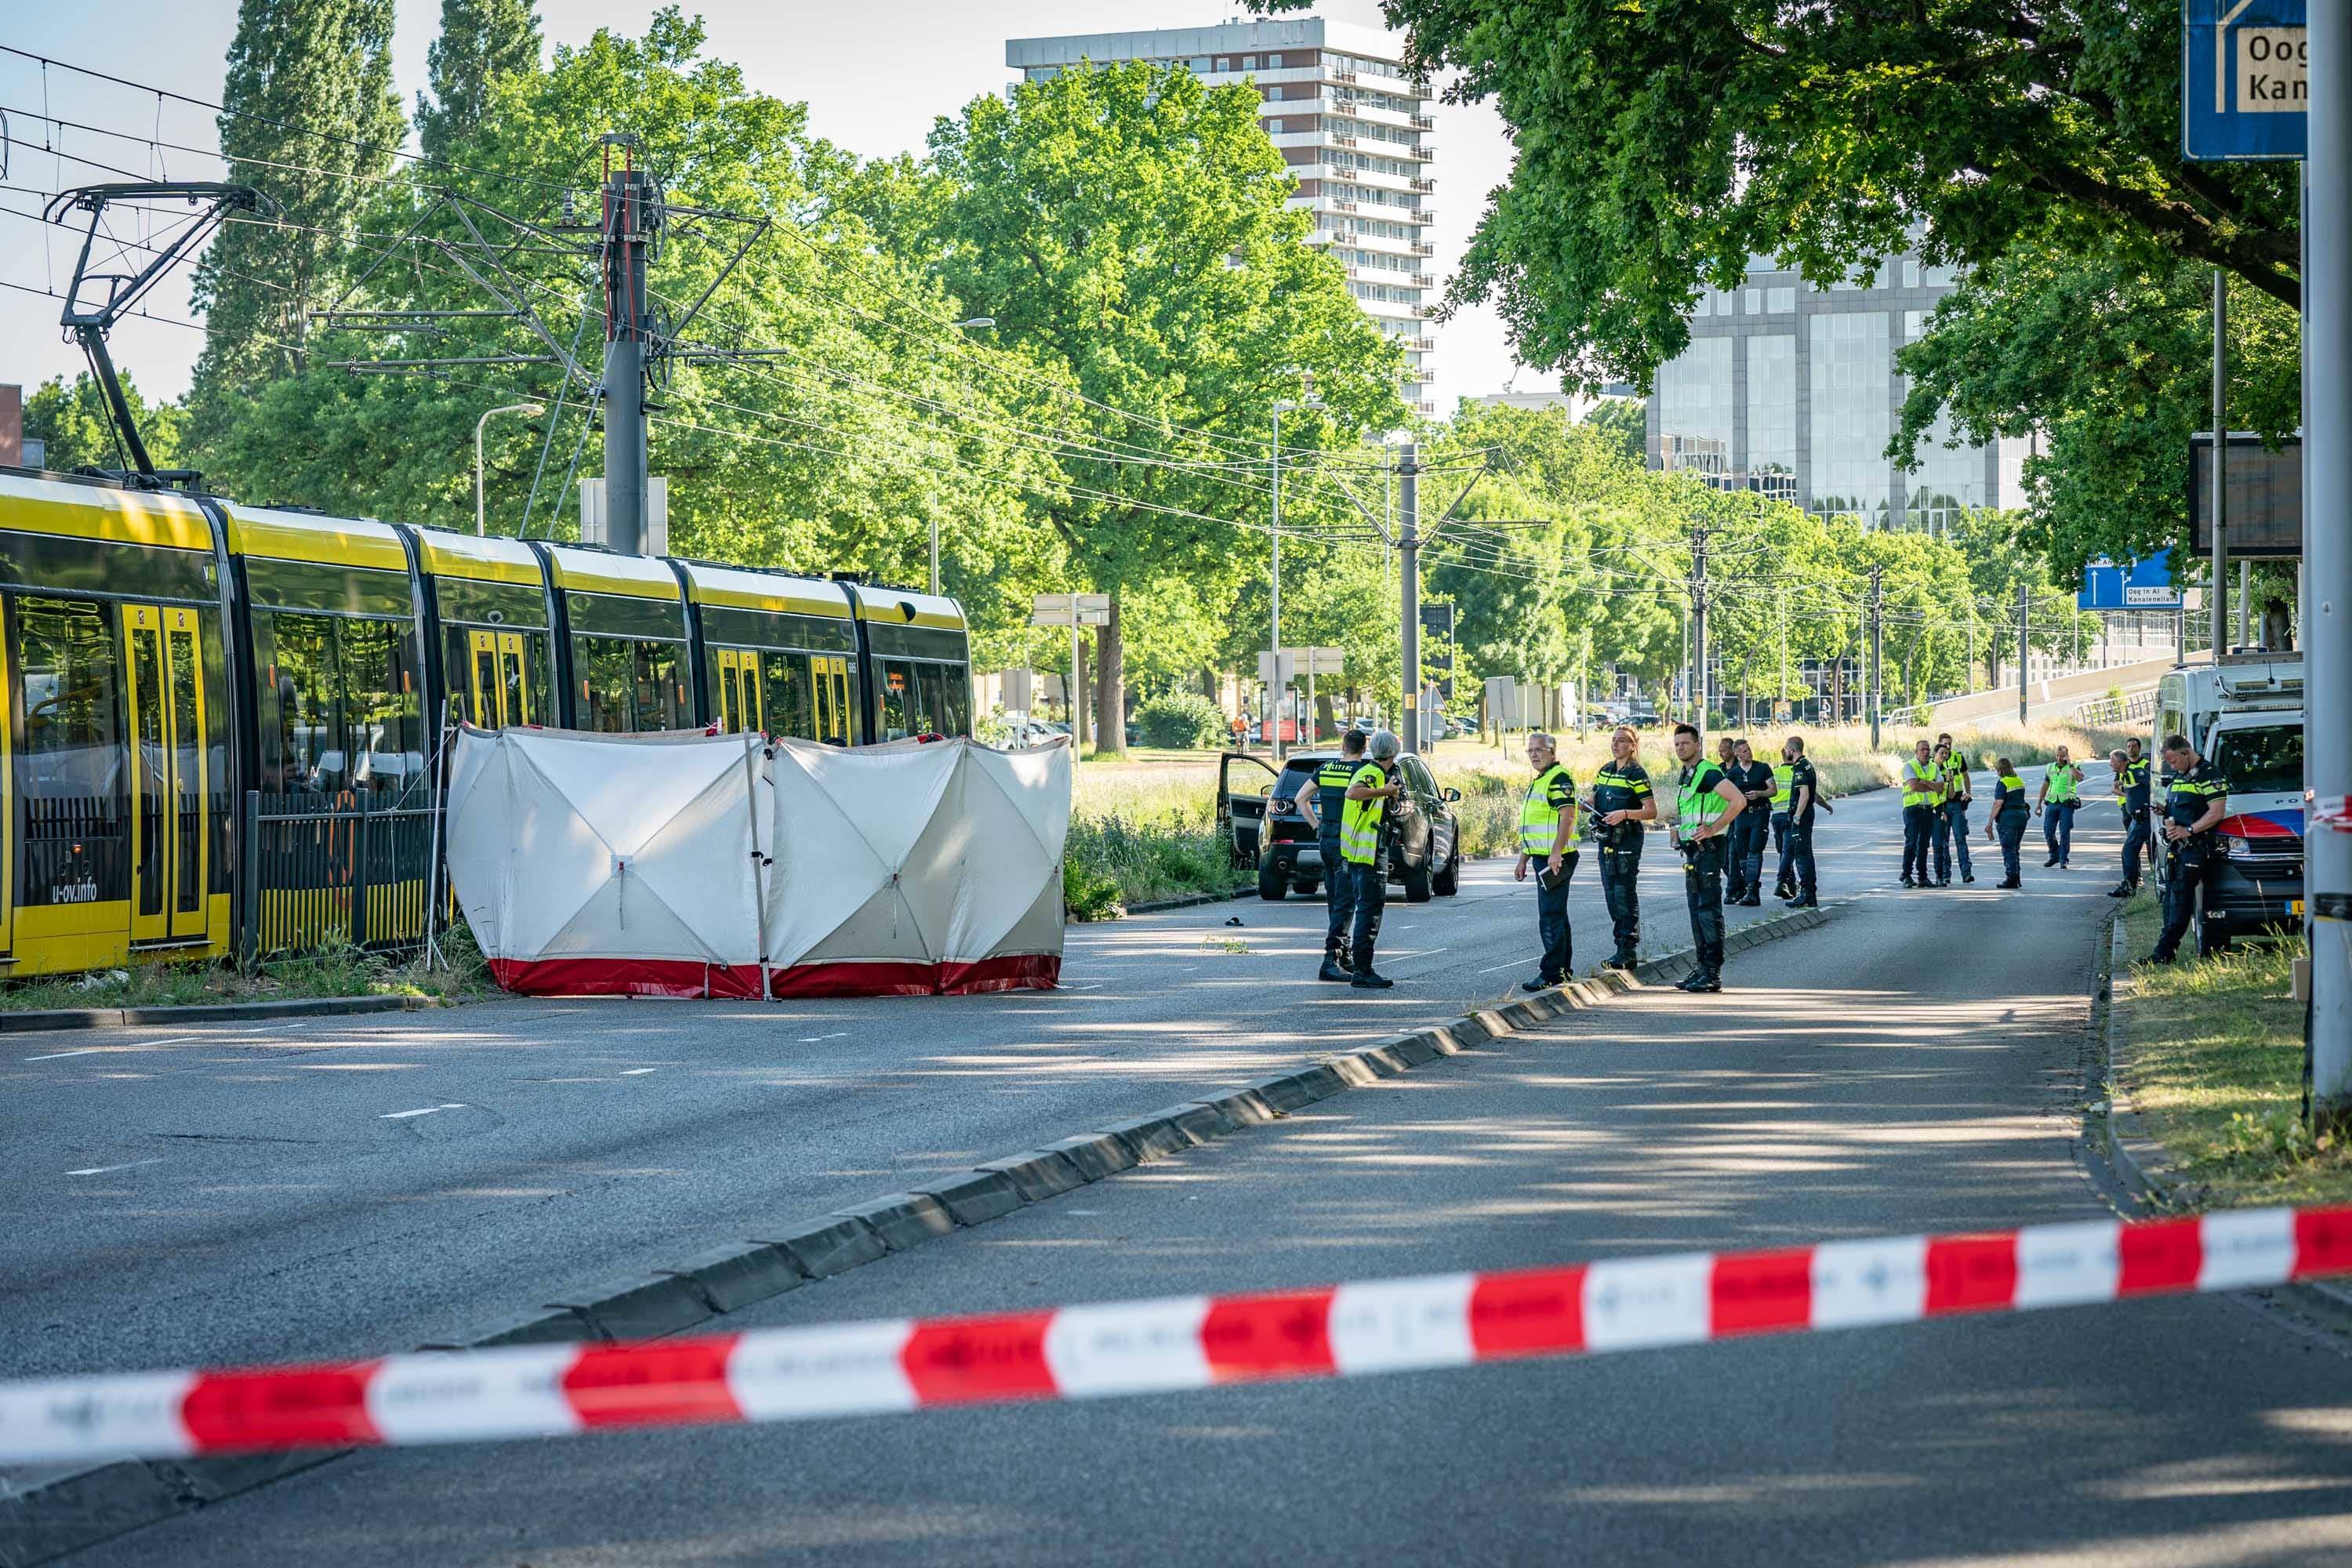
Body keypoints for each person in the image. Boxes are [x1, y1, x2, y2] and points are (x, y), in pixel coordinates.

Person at [1669, 722, 1746, 993]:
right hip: (1693, 851)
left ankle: (1712, 973)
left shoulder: (1707, 772)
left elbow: (1738, 801)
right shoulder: (1688, 774)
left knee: (1708, 912)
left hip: (1710, 850)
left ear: (1697, 745)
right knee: (1696, 911)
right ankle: (1702, 968)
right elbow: (1692, 810)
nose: (1680, 748)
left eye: (1685, 743)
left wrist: (1713, 828)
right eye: (1677, 744)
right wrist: (1678, 831)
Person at [2147, 734, 2229, 964]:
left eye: (2173, 761)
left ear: (2186, 753)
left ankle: (2163, 952)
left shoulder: (2209, 775)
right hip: (2178, 847)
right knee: (2170, 900)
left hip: (2197, 847)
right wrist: (2166, 812)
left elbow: (2216, 813)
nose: (2172, 766)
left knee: (2181, 900)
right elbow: (2179, 808)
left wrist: (2189, 830)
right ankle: (2165, 950)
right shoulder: (2180, 776)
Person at [1298, 728, 1368, 982]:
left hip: (1326, 839)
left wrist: (1317, 825)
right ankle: (1330, 958)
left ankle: (1344, 955)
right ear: (1364, 747)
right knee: (1346, 900)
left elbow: (1300, 798)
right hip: (1346, 843)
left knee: (1335, 898)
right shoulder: (1361, 772)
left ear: (1343, 745)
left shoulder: (1326, 769)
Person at [1512, 731, 1580, 992]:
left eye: (1539, 750)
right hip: (1542, 857)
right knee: (1556, 915)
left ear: (1553, 752)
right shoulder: (1541, 780)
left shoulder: (1558, 779)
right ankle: (1561, 969)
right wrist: (1523, 860)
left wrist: (1556, 853)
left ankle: (1551, 973)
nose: (1534, 755)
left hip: (1555, 858)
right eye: (1530, 751)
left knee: (1551, 915)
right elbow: (1535, 826)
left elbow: (1568, 817)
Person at [1340, 729, 1406, 988]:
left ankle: (1362, 968)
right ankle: (1363, 971)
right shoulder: (1374, 774)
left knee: (1366, 911)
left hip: (1358, 853)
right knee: (1369, 913)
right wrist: (1384, 790)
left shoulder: (1373, 772)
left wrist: (1389, 794)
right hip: (1367, 855)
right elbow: (1353, 793)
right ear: (1394, 752)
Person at [1590, 724, 1657, 968]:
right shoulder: (1605, 771)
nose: (1615, 744)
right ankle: (1619, 947)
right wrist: (1580, 805)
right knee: (1610, 894)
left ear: (1632, 746)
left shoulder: (1636, 774)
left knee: (1624, 893)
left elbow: (1651, 811)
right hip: (1606, 840)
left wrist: (1625, 814)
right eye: (1613, 740)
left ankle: (1628, 950)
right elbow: (1593, 799)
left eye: (1621, 741)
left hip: (1627, 840)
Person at [1780, 735, 1829, 909]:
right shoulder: (1807, 765)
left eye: (1786, 748)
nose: (1785, 751)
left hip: (1802, 817)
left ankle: (1806, 893)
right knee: (1805, 854)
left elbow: (1805, 794)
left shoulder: (1800, 767)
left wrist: (1797, 816)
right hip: (1808, 815)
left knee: (1802, 856)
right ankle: (1810, 894)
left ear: (1792, 750)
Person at [1725, 739, 1775, 906]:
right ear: (1737, 754)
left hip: (1759, 813)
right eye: (1745, 751)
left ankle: (1753, 890)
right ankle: (1747, 888)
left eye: (1749, 749)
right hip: (1741, 815)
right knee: (1742, 852)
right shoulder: (1733, 773)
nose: (1749, 753)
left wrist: (1759, 794)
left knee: (1755, 849)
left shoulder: (1762, 768)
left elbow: (1773, 790)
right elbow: (1726, 795)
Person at [2110, 741, 2153, 898]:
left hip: (2143, 818)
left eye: (2112, 761)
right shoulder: (2126, 774)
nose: (2110, 765)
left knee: (2129, 851)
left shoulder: (2136, 771)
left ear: (2120, 762)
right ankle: (2130, 885)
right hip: (2136, 818)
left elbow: (2153, 785)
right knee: (2130, 851)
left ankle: (2129, 886)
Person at [1984, 757, 2032, 888]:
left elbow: (1998, 803)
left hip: (2008, 818)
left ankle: (2011, 878)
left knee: (2008, 849)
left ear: (2000, 769)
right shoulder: (2019, 780)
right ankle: (2016, 877)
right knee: (2015, 848)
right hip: (2021, 816)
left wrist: (1990, 822)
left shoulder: (2003, 782)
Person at [1899, 739, 1940, 888]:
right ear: (1916, 752)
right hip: (1912, 808)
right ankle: (1906, 875)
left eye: (1928, 749)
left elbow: (1941, 787)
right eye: (1922, 750)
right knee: (1911, 842)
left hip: (1928, 808)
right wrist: (1931, 785)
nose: (1926, 752)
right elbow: (1914, 786)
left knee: (1924, 844)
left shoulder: (1934, 767)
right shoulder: (1910, 766)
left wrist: (1925, 782)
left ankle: (1922, 876)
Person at [2037, 746, 2082, 868]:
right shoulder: (2050, 767)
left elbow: (2080, 778)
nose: (2060, 758)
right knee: (2048, 831)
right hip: (2052, 803)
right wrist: (2039, 803)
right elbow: (2045, 786)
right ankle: (2054, 855)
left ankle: (2063, 859)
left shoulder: (2074, 766)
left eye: (2062, 756)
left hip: (2067, 804)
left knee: (2064, 832)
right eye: (2058, 755)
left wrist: (2071, 765)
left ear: (2067, 755)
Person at [1715, 736, 1748, 901]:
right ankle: (1739, 885)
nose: (1720, 753)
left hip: (1737, 816)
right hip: (1720, 816)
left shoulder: (1740, 769)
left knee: (1733, 853)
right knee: (1722, 855)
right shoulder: (1717, 770)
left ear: (1732, 752)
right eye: (1719, 750)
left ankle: (1732, 889)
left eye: (1723, 750)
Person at [1768, 750, 1797, 900]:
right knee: (1788, 852)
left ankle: (1790, 886)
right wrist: (1826, 805)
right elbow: (1809, 793)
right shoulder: (1796, 772)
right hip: (1789, 817)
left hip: (1776, 817)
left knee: (1784, 852)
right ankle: (1782, 883)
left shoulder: (1774, 773)